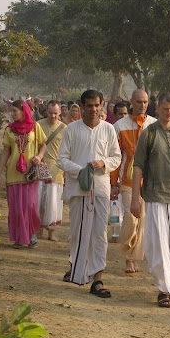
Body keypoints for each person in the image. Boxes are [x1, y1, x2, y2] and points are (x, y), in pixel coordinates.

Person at [131, 92, 170, 308]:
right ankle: (164, 289)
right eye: (165, 109)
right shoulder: (149, 133)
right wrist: (134, 199)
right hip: (155, 195)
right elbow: (138, 166)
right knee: (159, 243)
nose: (168, 113)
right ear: (157, 109)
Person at [57, 90, 121, 298]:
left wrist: (103, 163)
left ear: (101, 106)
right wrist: (80, 170)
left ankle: (98, 278)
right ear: (82, 106)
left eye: (97, 105)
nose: (93, 109)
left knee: (99, 233)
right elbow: (62, 159)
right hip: (78, 189)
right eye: (89, 105)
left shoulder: (109, 129)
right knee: (76, 232)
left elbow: (116, 157)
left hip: (101, 188)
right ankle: (77, 269)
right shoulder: (72, 130)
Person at [110, 90, 156, 274]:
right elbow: (115, 157)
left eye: (145, 102)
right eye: (139, 101)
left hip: (149, 182)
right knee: (131, 216)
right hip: (127, 181)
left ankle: (134, 258)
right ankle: (128, 257)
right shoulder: (119, 126)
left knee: (142, 221)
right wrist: (114, 183)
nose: (142, 105)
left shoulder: (154, 124)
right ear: (131, 102)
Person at [0, 100, 47, 249]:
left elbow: (43, 144)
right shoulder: (9, 130)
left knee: (30, 205)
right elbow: (6, 151)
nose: (12, 114)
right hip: (13, 173)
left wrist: (39, 156)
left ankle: (31, 234)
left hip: (29, 174)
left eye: (14, 111)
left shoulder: (35, 127)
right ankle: (19, 238)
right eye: (11, 111)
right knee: (16, 207)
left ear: (23, 111)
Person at [37, 100, 66, 242]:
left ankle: (51, 232)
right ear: (45, 112)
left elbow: (67, 151)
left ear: (60, 113)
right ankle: (39, 228)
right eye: (50, 113)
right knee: (39, 200)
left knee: (54, 202)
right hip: (40, 168)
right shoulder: (38, 125)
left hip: (57, 169)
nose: (53, 116)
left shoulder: (65, 128)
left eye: (55, 113)